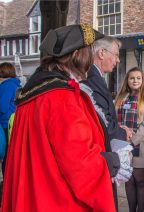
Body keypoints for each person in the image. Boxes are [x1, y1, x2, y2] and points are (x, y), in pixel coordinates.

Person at [1, 24, 117, 211]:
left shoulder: (31, 94)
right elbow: (81, 166)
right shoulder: (63, 97)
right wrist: (110, 163)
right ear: (78, 55)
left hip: (34, 197)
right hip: (58, 200)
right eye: (89, 52)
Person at [115, 67, 144, 212]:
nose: (135, 81)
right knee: (128, 181)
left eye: (138, 78)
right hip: (122, 145)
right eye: (132, 78)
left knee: (140, 182)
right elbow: (114, 119)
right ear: (127, 80)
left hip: (140, 145)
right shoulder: (121, 96)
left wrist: (131, 141)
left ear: (143, 80)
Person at [82, 36, 133, 142]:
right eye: (116, 55)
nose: (118, 60)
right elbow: (100, 121)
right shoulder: (92, 79)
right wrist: (122, 133)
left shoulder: (94, 77)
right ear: (101, 53)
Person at [0, 62, 21, 175]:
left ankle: (5, 182)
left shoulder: (6, 86)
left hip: (4, 123)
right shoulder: (15, 84)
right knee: (10, 153)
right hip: (13, 122)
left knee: (4, 154)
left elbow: (2, 107)